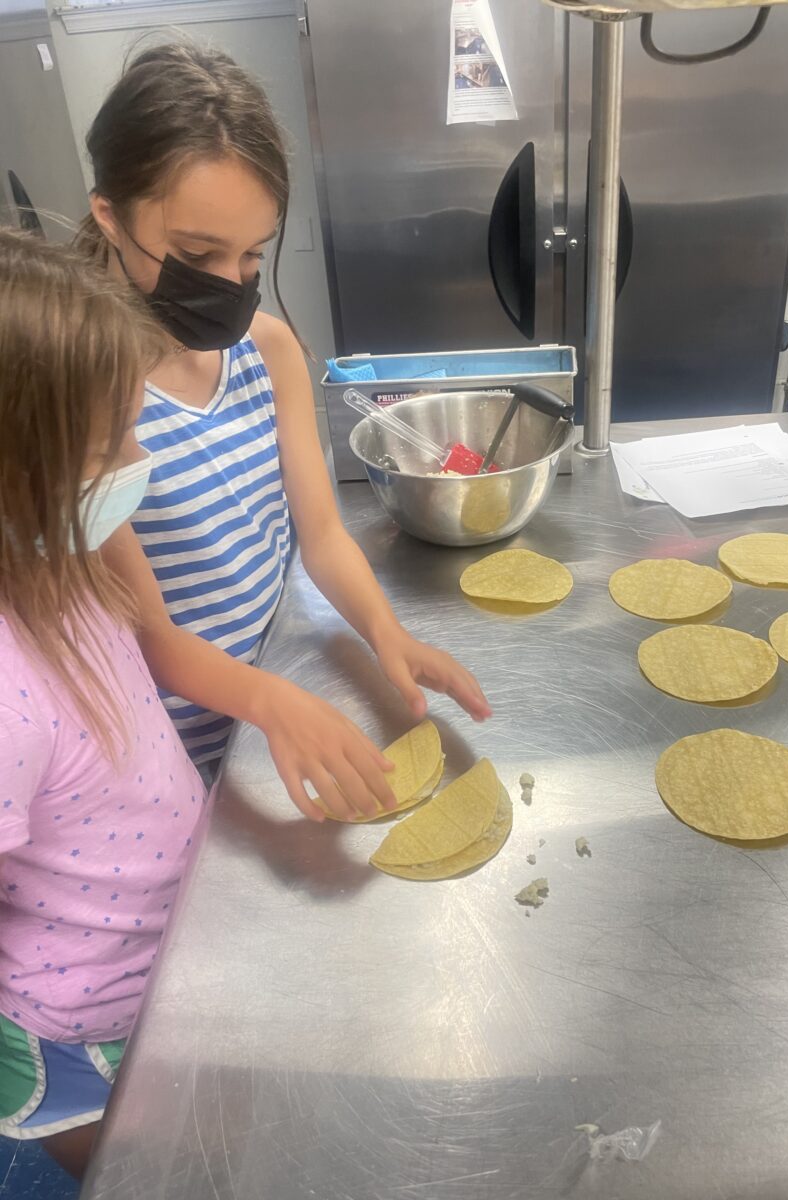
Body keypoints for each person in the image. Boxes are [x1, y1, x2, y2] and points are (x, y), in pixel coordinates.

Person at [76, 42, 491, 818]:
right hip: (182, 747)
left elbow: (322, 534)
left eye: (250, 256)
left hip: (285, 688)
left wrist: (383, 632)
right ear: (110, 214)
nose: (230, 283)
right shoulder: (87, 399)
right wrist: (268, 705)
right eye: (197, 254)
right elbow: (150, 639)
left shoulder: (267, 352)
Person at [0, 229, 212, 1178]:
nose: (135, 462)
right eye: (106, 445)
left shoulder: (68, 556)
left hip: (158, 970)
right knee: (139, 1173)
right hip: (75, 1022)